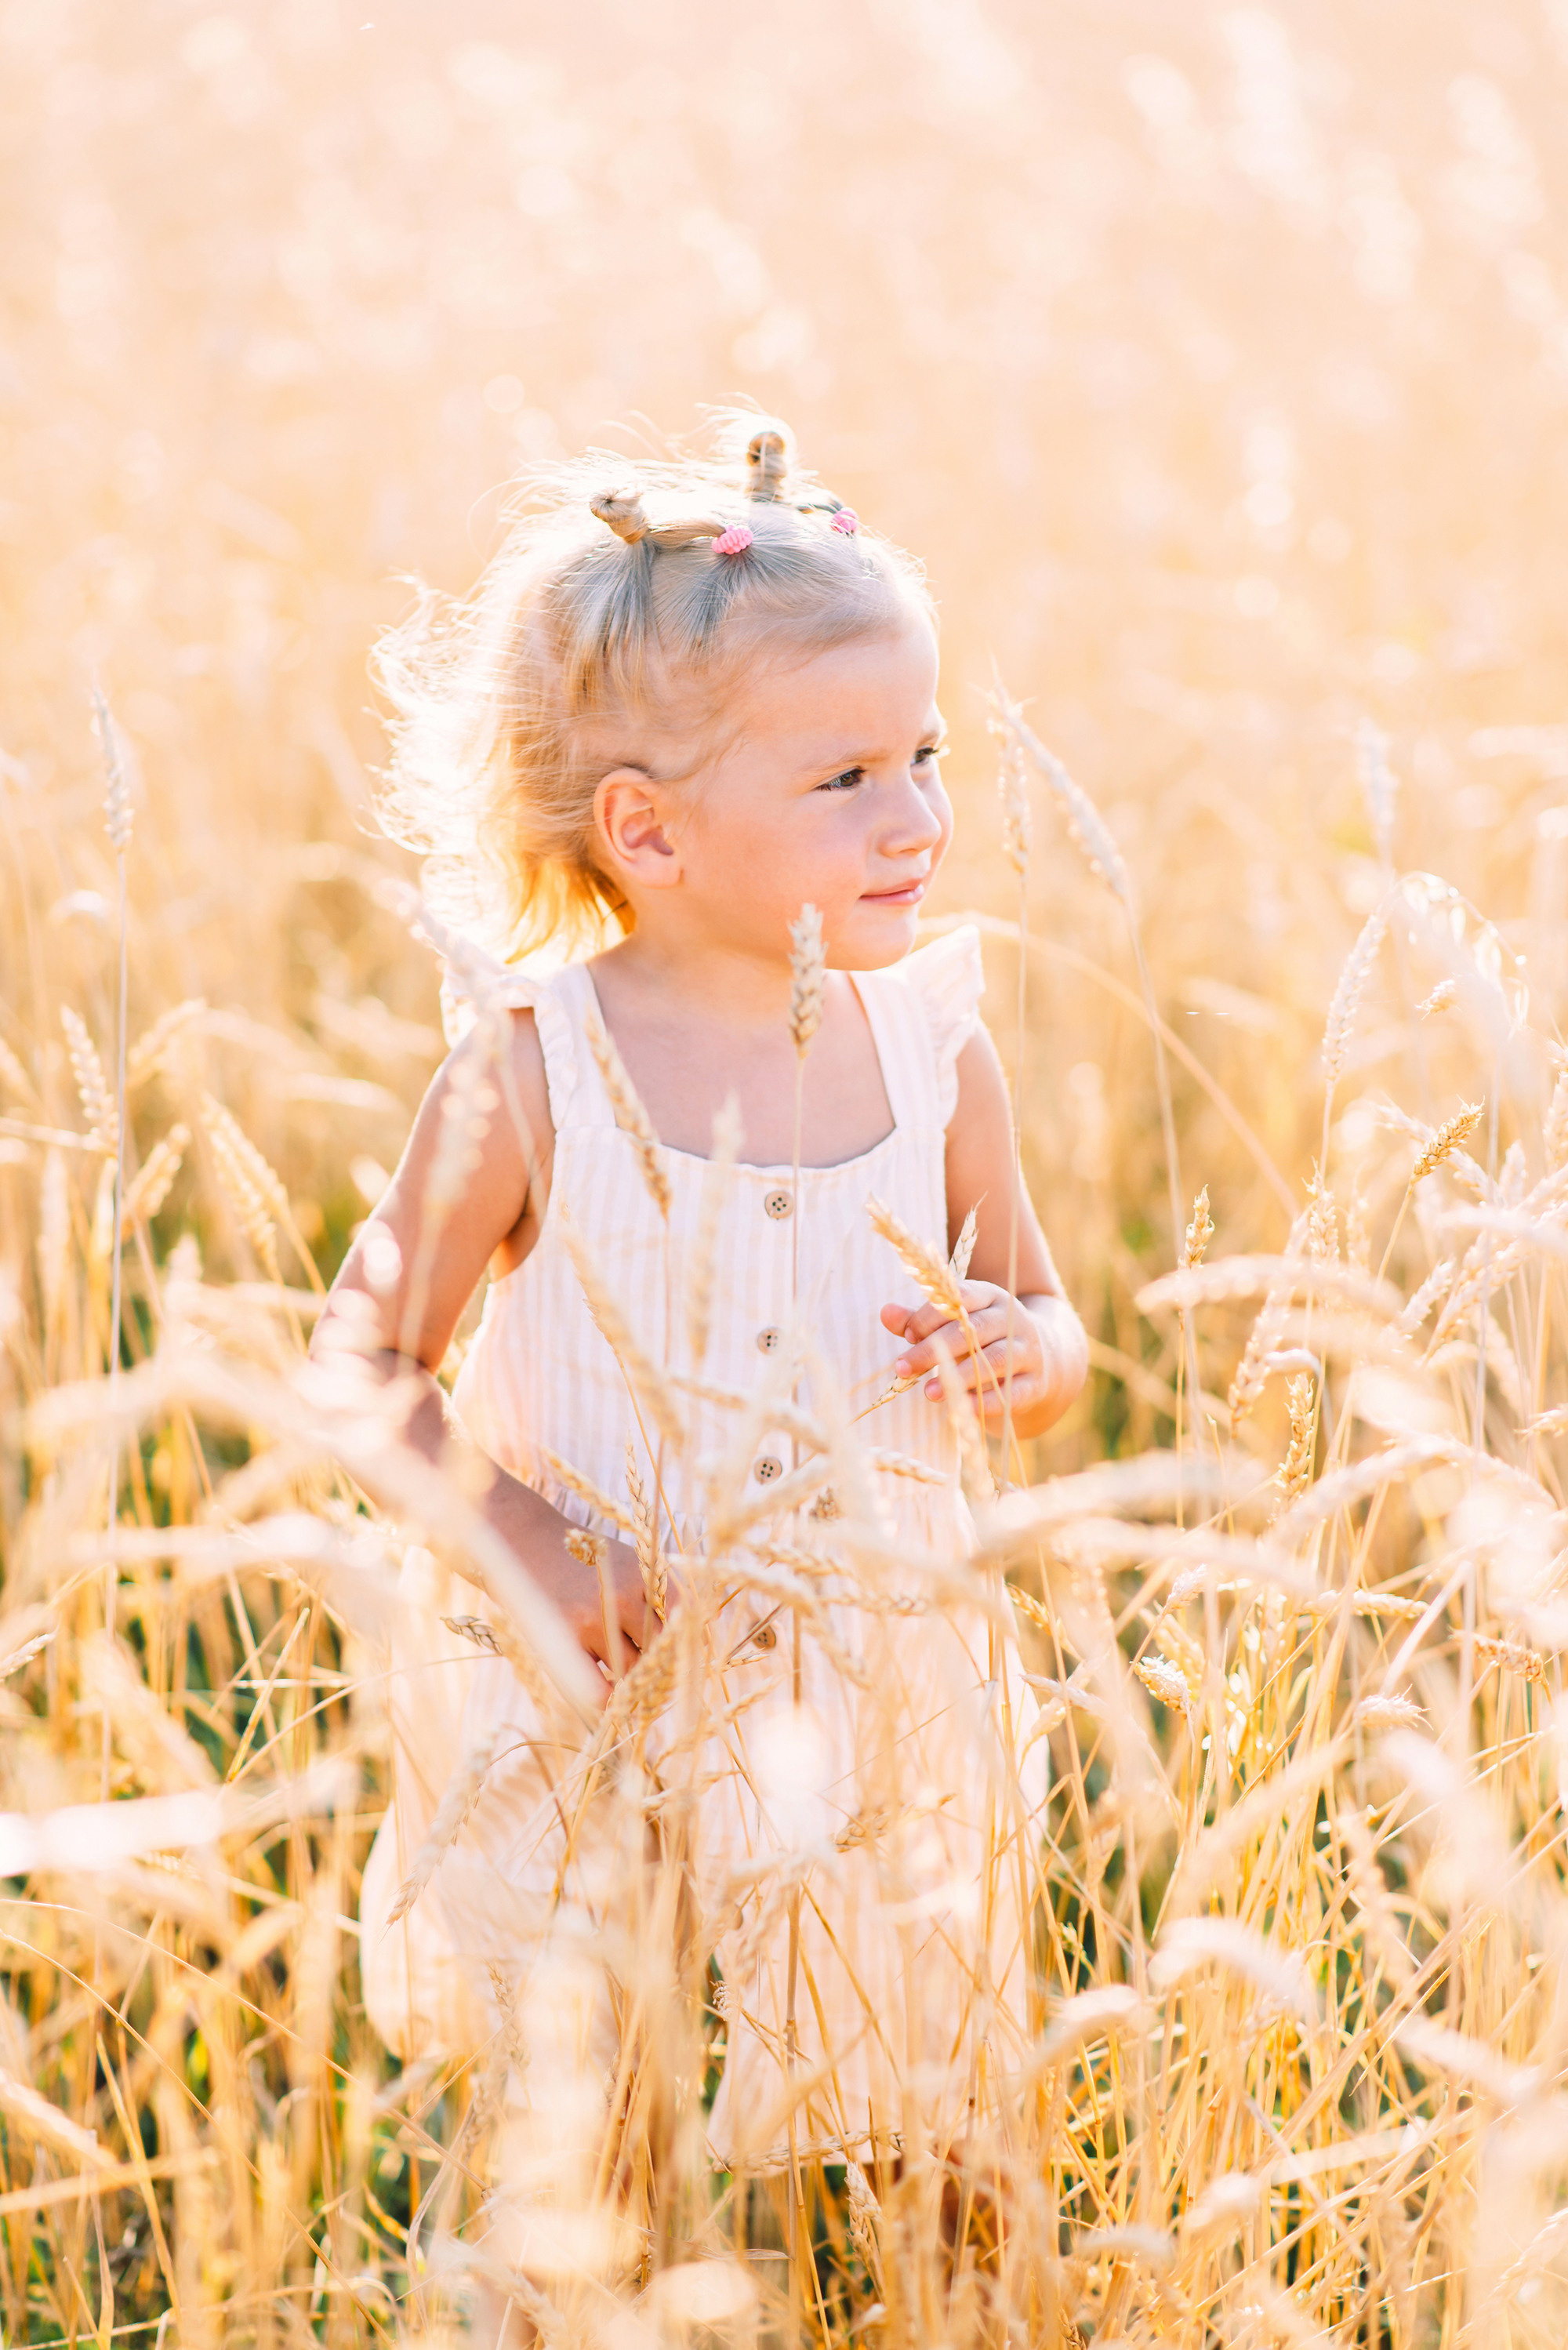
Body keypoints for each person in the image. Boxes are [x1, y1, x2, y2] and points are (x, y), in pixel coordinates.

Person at [314, 416, 1088, 2223]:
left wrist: (1018, 1348)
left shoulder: (931, 1047)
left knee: (927, 2130)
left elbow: (1046, 1320)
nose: (918, 816)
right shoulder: (533, 1070)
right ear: (646, 828)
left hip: (878, 1687)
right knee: (600, 2137)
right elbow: (359, 1362)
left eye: (925, 754)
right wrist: (518, 1535)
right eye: (843, 781)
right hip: (598, 1688)